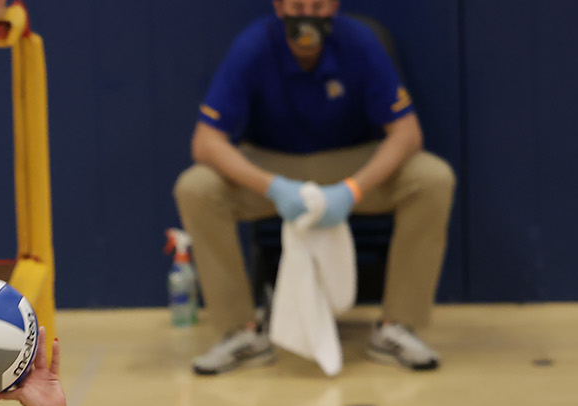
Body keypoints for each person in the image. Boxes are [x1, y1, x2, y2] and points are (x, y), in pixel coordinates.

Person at [174, 0, 456, 374]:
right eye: (297, 5)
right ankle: (239, 332)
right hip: (275, 168)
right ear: (278, 7)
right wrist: (274, 187)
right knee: (196, 187)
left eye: (318, 5)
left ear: (334, 6)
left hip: (349, 166)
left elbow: (407, 133)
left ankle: (398, 326)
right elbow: (206, 141)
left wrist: (352, 190)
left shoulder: (360, 42)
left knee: (432, 178)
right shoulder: (254, 45)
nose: (307, 15)